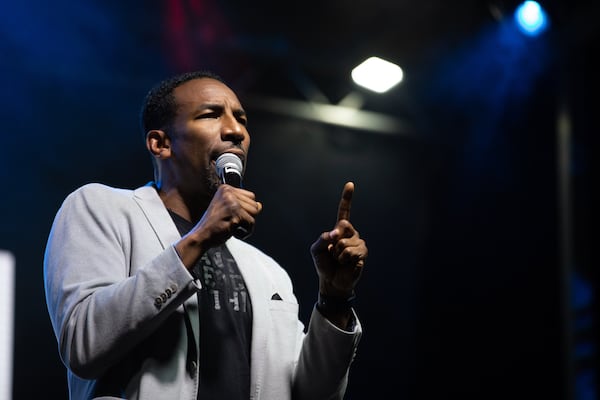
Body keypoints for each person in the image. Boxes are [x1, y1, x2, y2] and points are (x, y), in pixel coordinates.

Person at [43, 70, 368, 400]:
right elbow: (82, 345)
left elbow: (314, 394)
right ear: (161, 143)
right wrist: (198, 238)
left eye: (241, 119)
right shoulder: (101, 208)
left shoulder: (268, 272)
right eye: (211, 114)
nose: (235, 131)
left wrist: (334, 298)